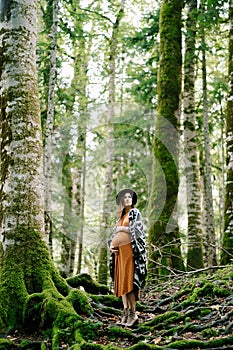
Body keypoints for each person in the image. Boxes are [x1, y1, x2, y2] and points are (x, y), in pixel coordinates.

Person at [109, 189, 147, 327]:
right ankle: (125, 313)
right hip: (119, 254)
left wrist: (122, 230)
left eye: (129, 196)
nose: (127, 199)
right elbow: (113, 236)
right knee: (121, 284)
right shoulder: (120, 217)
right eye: (124, 197)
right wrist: (111, 246)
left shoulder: (134, 213)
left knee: (129, 283)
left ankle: (133, 314)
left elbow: (138, 230)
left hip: (130, 252)